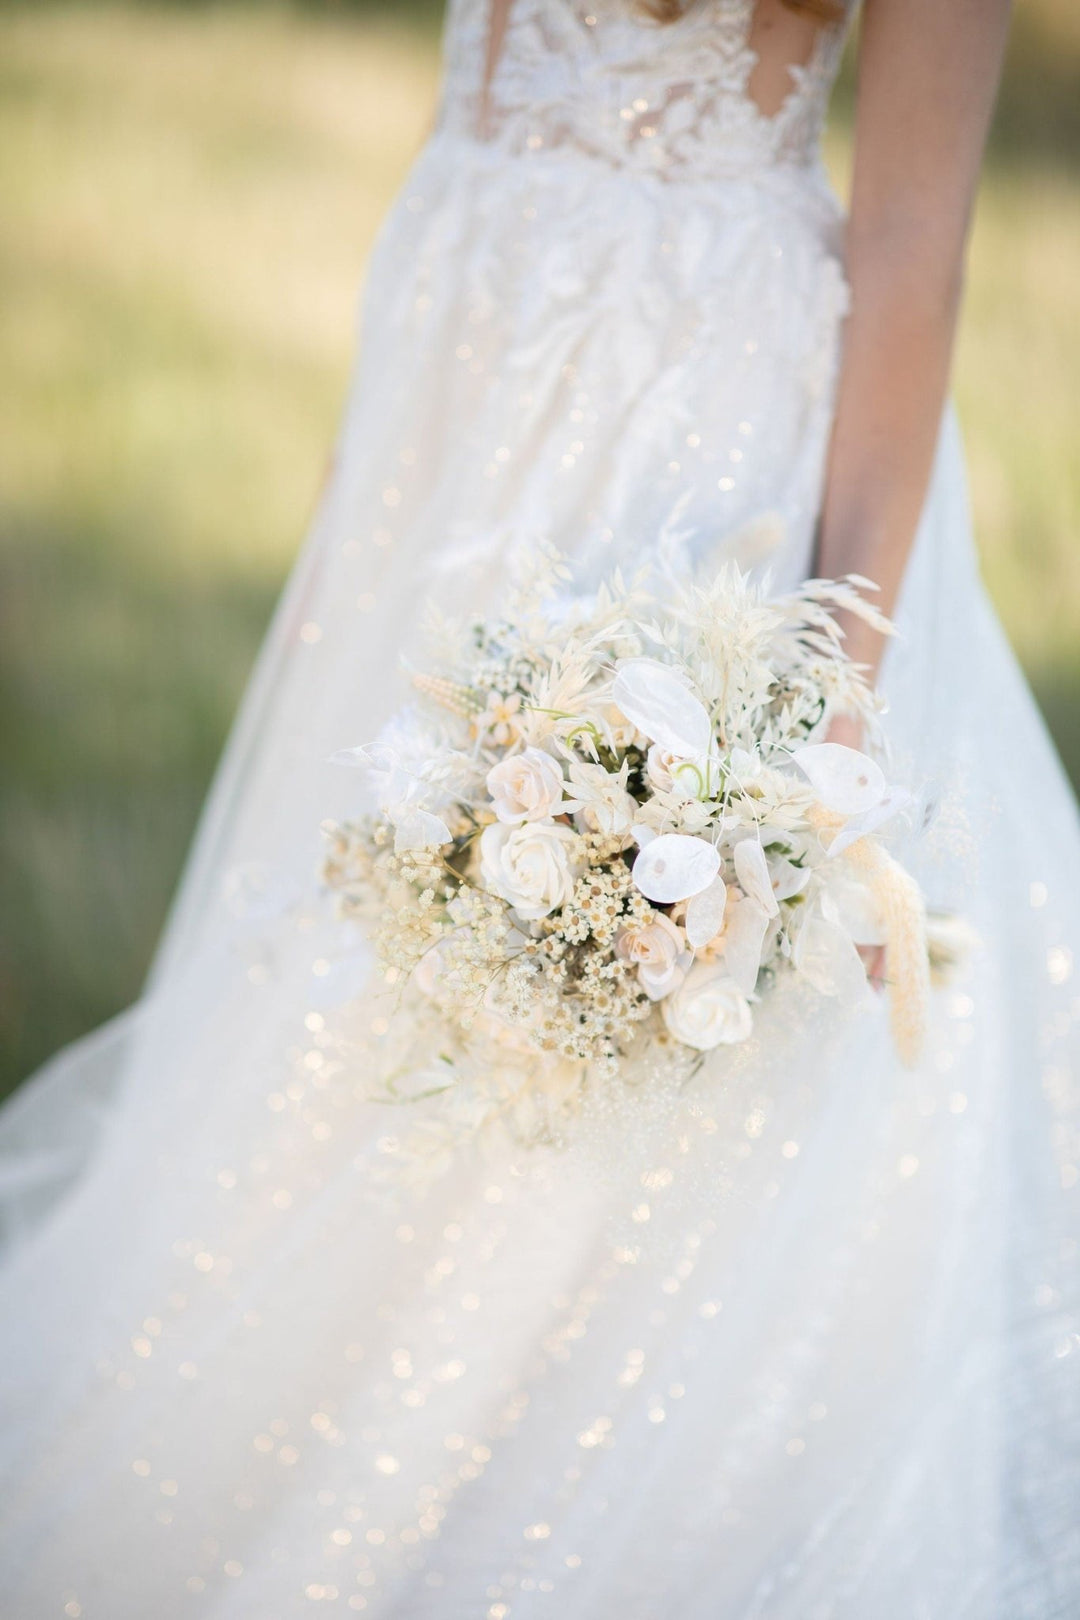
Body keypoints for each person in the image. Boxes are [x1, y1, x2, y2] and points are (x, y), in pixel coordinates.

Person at [2, 1, 1077, 1614]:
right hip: (467, 372)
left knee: (617, 983)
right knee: (350, 933)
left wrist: (823, 700)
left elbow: (914, 240)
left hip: (691, 442)